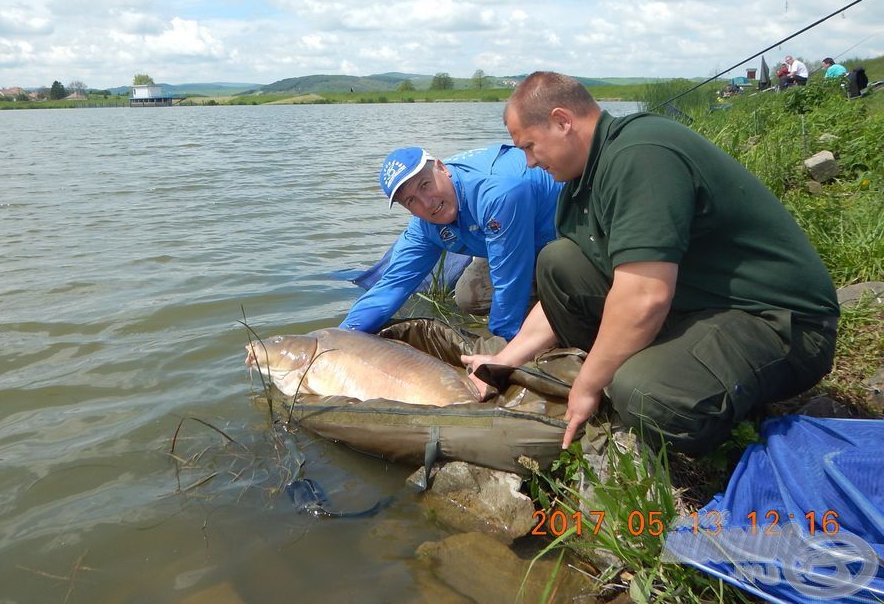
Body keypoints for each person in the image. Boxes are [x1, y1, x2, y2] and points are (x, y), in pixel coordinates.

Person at [461, 72, 839, 455]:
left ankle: (708, 421)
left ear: (562, 122)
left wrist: (588, 384)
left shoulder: (640, 154)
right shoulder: (580, 183)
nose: (527, 163)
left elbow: (645, 295)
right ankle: (649, 367)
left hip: (777, 322)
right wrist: (502, 363)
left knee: (642, 393)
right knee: (559, 261)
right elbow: (573, 292)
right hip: (696, 304)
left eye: (529, 146)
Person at [340, 145, 563, 342]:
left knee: (515, 311)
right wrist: (340, 338)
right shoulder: (423, 227)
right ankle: (538, 307)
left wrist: (501, 348)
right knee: (468, 297)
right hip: (512, 244)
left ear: (441, 167)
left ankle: (557, 312)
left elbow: (509, 278)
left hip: (563, 235)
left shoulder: (497, 192)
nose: (427, 204)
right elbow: (390, 287)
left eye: (425, 185)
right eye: (411, 201)